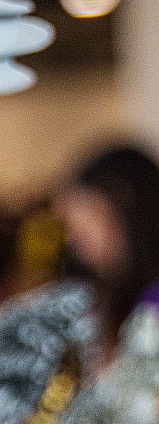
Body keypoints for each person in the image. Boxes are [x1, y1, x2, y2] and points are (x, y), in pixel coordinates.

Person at [54, 145, 159, 351]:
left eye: (82, 232)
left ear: (118, 199)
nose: (72, 245)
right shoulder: (120, 302)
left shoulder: (151, 307)